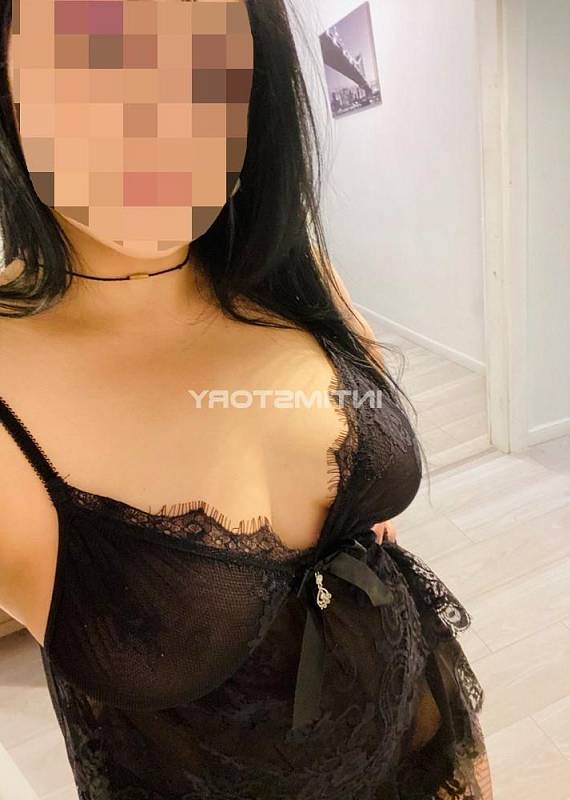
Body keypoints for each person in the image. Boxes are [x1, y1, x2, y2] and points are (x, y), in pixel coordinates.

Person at [0, 1, 494, 797]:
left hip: (421, 737)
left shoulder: (287, 268)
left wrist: (358, 510)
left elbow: (366, 409)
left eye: (202, 69)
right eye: (96, 58)